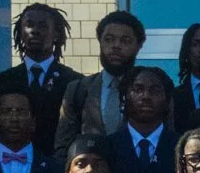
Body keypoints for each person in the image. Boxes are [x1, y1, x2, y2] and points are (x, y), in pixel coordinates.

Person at [0, 2, 82, 148]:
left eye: (42, 26)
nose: (35, 30)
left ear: (56, 34)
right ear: (20, 32)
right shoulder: (2, 81)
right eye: (29, 24)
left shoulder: (74, 82)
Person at [54, 10, 145, 155]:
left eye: (125, 41)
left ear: (139, 46)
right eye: (109, 39)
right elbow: (63, 146)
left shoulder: (151, 91)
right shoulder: (78, 90)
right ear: (100, 41)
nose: (116, 46)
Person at [106, 64, 178, 173]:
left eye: (155, 91)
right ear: (125, 97)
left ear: (166, 100)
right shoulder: (107, 147)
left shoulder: (180, 147)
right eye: (138, 90)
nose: (146, 96)